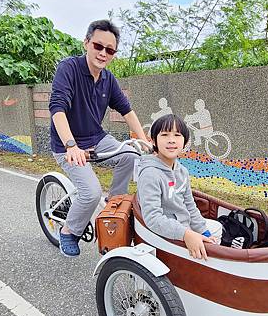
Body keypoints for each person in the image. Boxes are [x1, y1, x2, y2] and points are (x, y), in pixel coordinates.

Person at [49, 19, 148, 257]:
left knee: (131, 155)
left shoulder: (108, 79)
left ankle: (114, 203)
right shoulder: (69, 69)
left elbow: (127, 110)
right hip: (68, 145)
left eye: (110, 50)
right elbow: (57, 108)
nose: (103, 53)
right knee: (91, 192)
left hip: (97, 138)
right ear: (86, 43)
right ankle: (69, 231)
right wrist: (70, 145)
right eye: (98, 46)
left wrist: (143, 139)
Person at [137, 114, 222, 260]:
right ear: (153, 140)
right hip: (165, 234)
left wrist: (204, 232)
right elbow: (153, 218)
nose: (171, 140)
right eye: (164, 134)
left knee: (215, 229)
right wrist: (186, 234)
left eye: (177, 135)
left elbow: (190, 206)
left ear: (185, 141)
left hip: (183, 225)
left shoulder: (182, 171)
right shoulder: (150, 174)